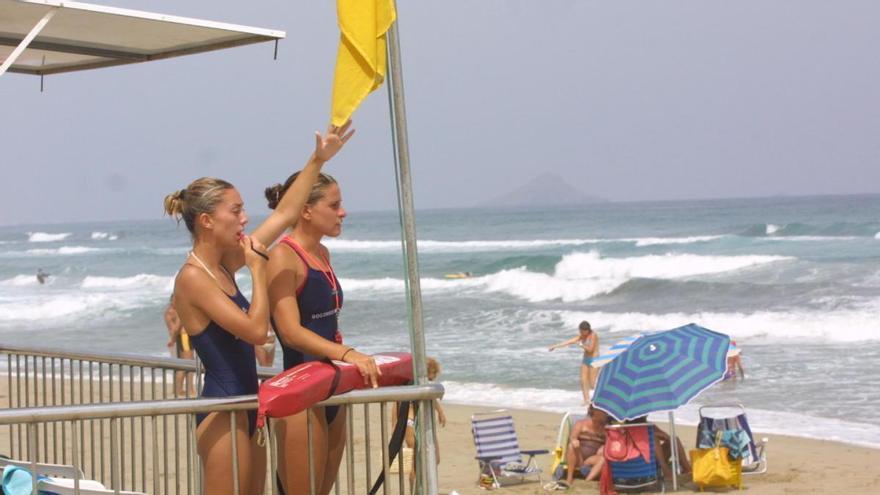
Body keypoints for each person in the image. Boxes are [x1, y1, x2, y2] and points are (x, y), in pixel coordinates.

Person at [164, 122, 353, 495]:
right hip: (223, 409)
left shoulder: (224, 264)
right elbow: (256, 332)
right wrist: (257, 267)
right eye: (235, 211)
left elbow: (283, 215)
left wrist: (317, 159)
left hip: (249, 404)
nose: (245, 219)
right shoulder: (193, 278)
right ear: (207, 220)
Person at [265, 134, 381, 495]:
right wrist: (349, 355)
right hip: (300, 392)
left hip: (332, 386)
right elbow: (291, 331)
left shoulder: (324, 255)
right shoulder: (283, 256)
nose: (343, 211)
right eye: (335, 204)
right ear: (306, 209)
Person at [393, 357, 446, 481]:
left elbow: (430, 398)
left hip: (424, 423)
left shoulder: (424, 385)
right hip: (410, 422)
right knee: (417, 463)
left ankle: (423, 488)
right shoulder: (410, 385)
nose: (432, 379)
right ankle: (416, 489)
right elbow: (396, 405)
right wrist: (394, 427)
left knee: (435, 459)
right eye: (432, 376)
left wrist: (440, 411)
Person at [548, 321, 600, 403]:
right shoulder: (582, 336)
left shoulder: (593, 335)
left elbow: (590, 350)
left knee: (592, 383)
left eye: (582, 331)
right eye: (580, 331)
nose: (581, 333)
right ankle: (586, 400)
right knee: (583, 380)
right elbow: (569, 341)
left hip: (594, 360)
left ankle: (601, 399)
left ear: (587, 330)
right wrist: (554, 346)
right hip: (585, 360)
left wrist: (580, 344)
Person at [561, 406, 607, 489]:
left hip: (592, 459)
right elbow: (572, 437)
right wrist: (574, 440)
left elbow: (610, 443)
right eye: (602, 412)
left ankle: (587, 480)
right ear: (594, 412)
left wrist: (605, 446)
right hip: (579, 457)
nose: (605, 414)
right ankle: (569, 478)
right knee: (571, 446)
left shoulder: (605, 428)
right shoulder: (581, 424)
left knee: (603, 458)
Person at [164, 294, 195, 396]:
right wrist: (172, 339)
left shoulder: (168, 312)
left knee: (184, 364)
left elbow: (171, 328)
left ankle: (179, 389)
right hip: (184, 337)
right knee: (188, 364)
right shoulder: (179, 311)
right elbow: (176, 328)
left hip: (181, 338)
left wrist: (173, 339)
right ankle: (188, 390)